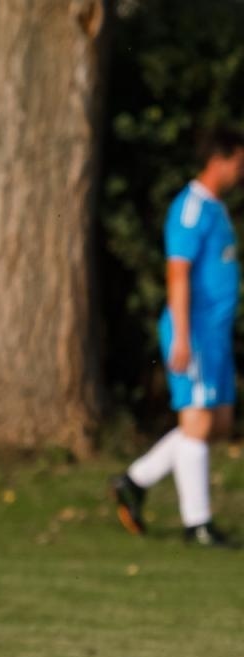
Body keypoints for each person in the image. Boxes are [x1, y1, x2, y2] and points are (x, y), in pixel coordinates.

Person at [112, 126, 244, 547]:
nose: (241, 170)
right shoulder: (189, 209)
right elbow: (178, 273)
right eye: (239, 161)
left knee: (217, 421)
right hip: (197, 332)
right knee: (198, 421)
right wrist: (183, 337)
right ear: (219, 160)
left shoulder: (217, 209)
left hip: (216, 335)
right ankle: (198, 524)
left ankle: (135, 479)